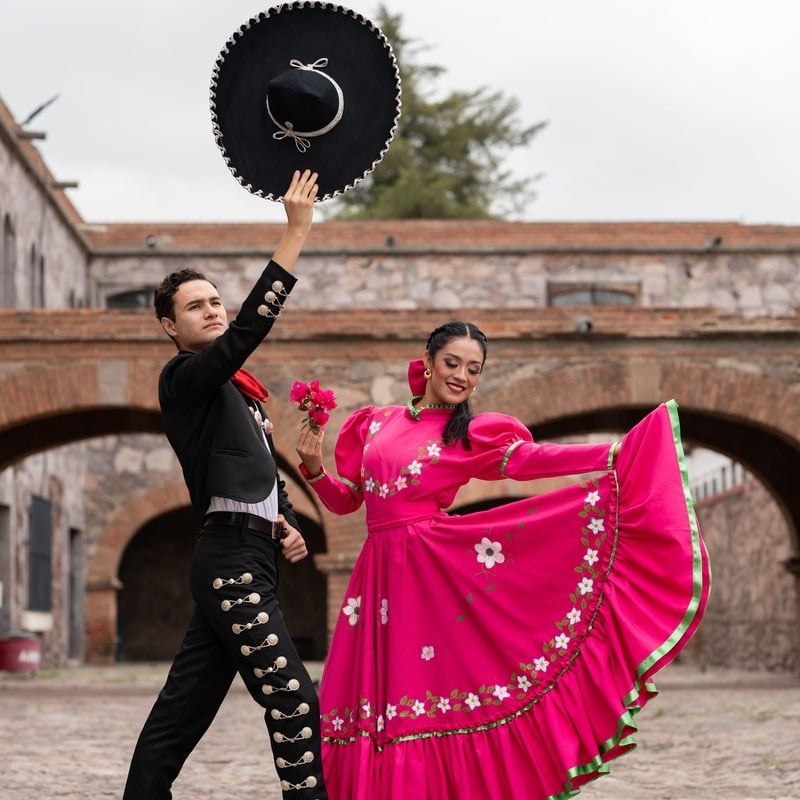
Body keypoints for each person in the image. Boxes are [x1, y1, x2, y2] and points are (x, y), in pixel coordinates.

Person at [295, 320, 710, 800]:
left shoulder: (467, 434)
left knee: (425, 688)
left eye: (474, 370)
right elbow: (349, 502)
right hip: (376, 576)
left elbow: (530, 459)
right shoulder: (374, 423)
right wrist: (314, 469)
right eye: (452, 364)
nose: (462, 377)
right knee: (374, 695)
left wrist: (613, 453)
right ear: (427, 363)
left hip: (429, 572)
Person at [123, 169, 328, 800]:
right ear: (169, 326)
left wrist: (287, 520)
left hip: (253, 557)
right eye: (195, 306)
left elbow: (260, 468)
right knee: (294, 699)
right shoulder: (184, 379)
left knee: (179, 715)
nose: (212, 311)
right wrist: (293, 236)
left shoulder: (240, 396)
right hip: (229, 564)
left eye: (215, 301)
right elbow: (245, 335)